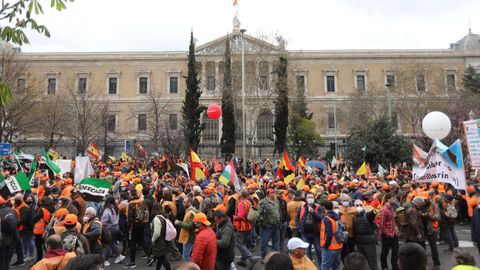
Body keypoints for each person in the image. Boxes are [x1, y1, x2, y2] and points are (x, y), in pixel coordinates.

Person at [124, 188, 153, 268]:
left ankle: (132, 262)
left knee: (132, 242)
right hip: (142, 223)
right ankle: (150, 255)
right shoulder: (142, 201)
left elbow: (130, 218)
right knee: (141, 240)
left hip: (134, 225)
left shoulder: (131, 204)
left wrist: (128, 228)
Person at [297, 192, 323, 266]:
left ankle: (321, 267)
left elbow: (320, 218)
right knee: (307, 251)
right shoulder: (302, 206)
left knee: (318, 251)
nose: (311, 199)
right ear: (306, 199)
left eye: (312, 197)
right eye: (309, 197)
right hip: (305, 232)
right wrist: (299, 227)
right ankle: (310, 267)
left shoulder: (318, 207)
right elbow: (297, 217)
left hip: (316, 233)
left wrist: (313, 212)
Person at [233, 189, 256, 267]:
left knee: (240, 244)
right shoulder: (249, 202)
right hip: (248, 225)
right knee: (244, 243)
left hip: (241, 226)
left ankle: (251, 258)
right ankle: (243, 260)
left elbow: (240, 216)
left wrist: (234, 217)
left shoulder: (241, 203)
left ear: (241, 195)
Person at [352, 199, 378, 270]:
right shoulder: (354, 218)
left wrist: (374, 211)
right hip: (359, 242)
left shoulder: (367, 215)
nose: (359, 206)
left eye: (360, 205)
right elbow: (354, 231)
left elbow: (372, 214)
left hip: (369, 242)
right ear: (354, 207)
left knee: (373, 263)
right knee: (362, 264)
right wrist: (355, 244)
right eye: (357, 205)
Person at [258, 188, 281, 261]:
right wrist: (263, 223)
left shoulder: (276, 201)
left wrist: (279, 221)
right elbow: (259, 214)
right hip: (267, 225)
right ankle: (263, 256)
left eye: (274, 192)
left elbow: (278, 212)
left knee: (276, 241)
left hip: (275, 225)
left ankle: (275, 256)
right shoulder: (263, 202)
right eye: (272, 193)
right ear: (268, 194)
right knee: (264, 242)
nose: (274, 194)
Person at [101, 194, 124, 265]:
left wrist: (100, 221)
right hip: (116, 227)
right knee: (113, 243)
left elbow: (104, 221)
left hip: (109, 229)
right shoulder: (115, 207)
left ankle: (106, 260)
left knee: (108, 244)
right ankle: (119, 256)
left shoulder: (107, 210)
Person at [151, 202, 175, 270]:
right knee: (161, 258)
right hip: (165, 240)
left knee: (162, 259)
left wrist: (152, 240)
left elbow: (157, 233)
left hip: (159, 242)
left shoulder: (156, 219)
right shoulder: (163, 216)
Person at [319, 200, 342, 270]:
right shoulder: (337, 216)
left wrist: (326, 246)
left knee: (324, 267)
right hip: (338, 246)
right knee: (336, 267)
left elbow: (329, 234)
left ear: (324, 207)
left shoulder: (326, 219)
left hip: (329, 248)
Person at [175, 195, 198, 261]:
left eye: (184, 202)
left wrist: (179, 223)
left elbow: (190, 226)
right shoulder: (189, 211)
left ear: (189, 203)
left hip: (188, 238)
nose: (182, 203)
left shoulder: (191, 213)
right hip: (187, 237)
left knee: (186, 257)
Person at [379, 193, 399, 270]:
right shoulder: (384, 209)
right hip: (387, 235)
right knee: (385, 252)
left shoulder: (391, 208)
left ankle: (395, 267)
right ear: (388, 199)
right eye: (393, 198)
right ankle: (384, 267)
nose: (395, 200)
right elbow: (381, 224)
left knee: (395, 252)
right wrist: (387, 234)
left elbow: (391, 220)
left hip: (393, 233)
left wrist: (395, 228)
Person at [32, 196, 54, 262]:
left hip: (39, 231)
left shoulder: (42, 210)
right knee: (46, 246)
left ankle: (39, 260)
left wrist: (36, 211)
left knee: (39, 247)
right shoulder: (51, 209)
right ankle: (49, 258)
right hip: (46, 229)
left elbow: (34, 219)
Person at [0, 195, 18, 270]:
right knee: (7, 259)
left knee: (1, 260)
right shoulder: (12, 210)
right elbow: (16, 222)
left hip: (2, 240)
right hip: (12, 238)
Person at [11, 193, 29, 267]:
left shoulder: (24, 207)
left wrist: (14, 223)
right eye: (16, 198)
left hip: (20, 228)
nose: (17, 200)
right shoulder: (15, 205)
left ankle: (20, 260)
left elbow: (23, 219)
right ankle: (20, 260)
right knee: (18, 245)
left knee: (17, 244)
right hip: (15, 227)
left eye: (18, 199)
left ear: (22, 199)